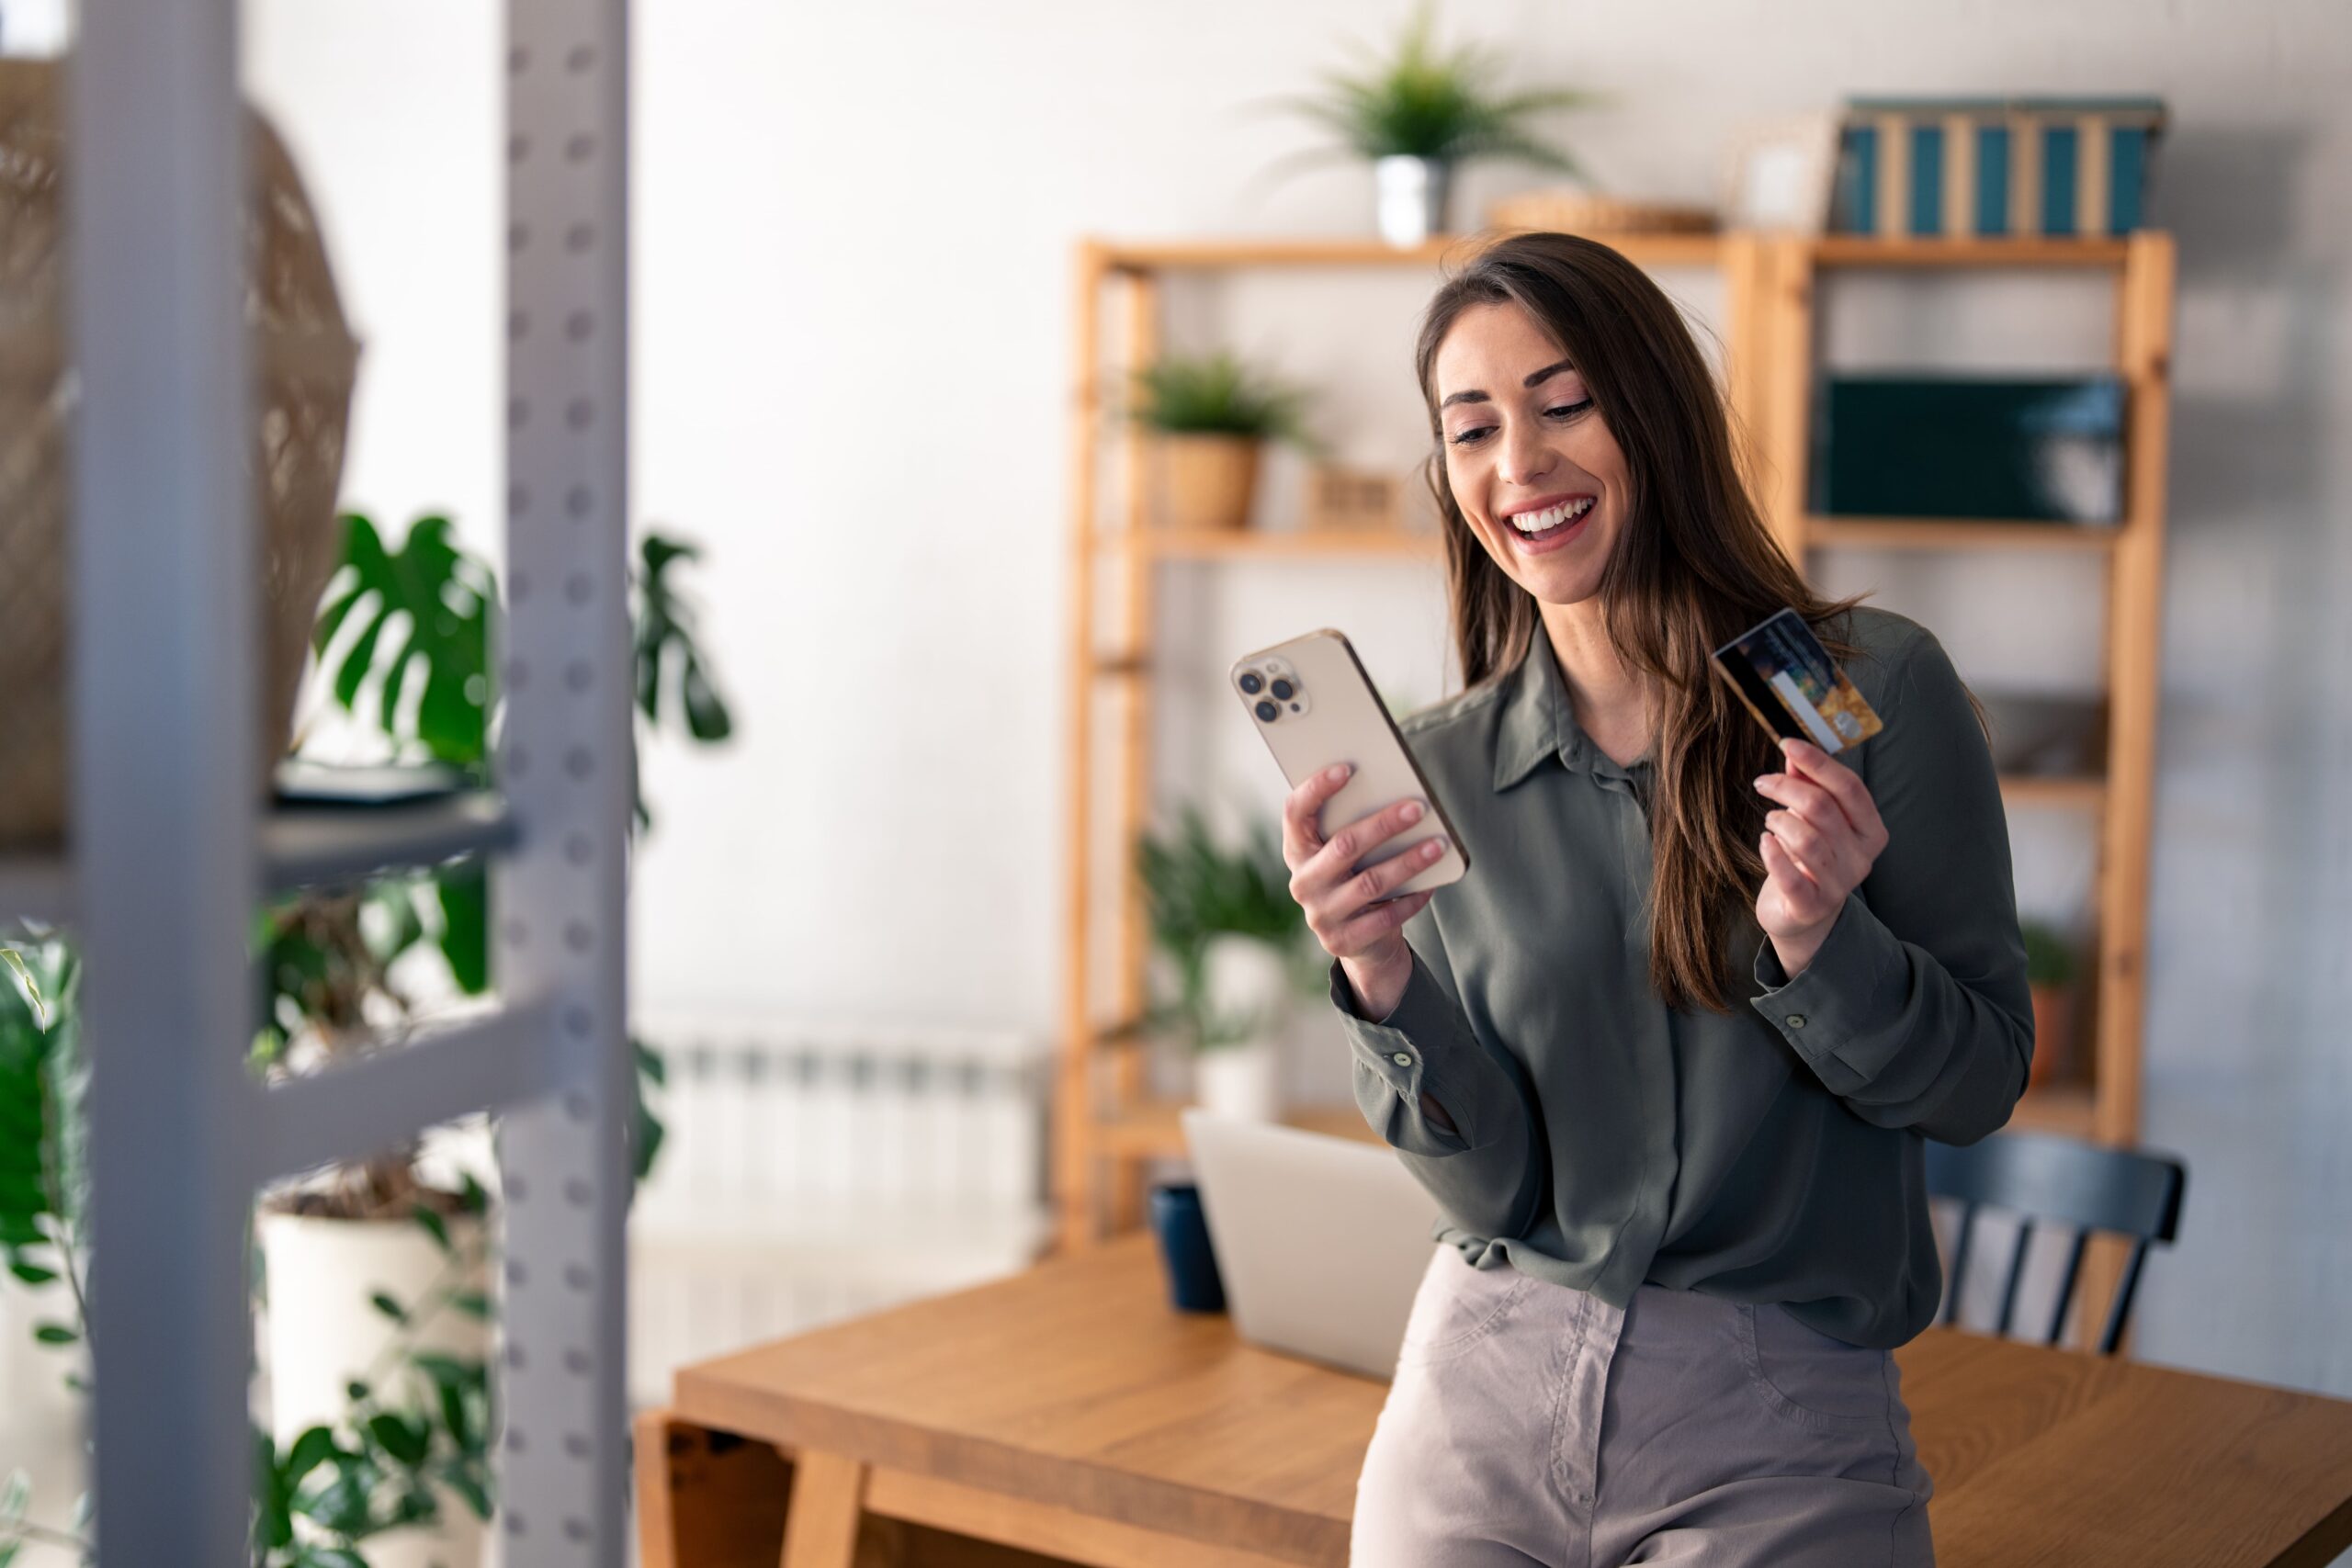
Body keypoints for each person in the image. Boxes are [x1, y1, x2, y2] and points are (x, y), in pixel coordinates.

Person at [1279, 231, 2030, 1567]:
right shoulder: (1440, 769)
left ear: (1660, 415)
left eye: (1568, 404)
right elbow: (1496, 1193)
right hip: (1478, 1395)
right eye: (1473, 430)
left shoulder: (1875, 693)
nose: (1521, 466)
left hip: (1777, 1419)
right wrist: (1384, 987)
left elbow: (1975, 1089)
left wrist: (1821, 944)